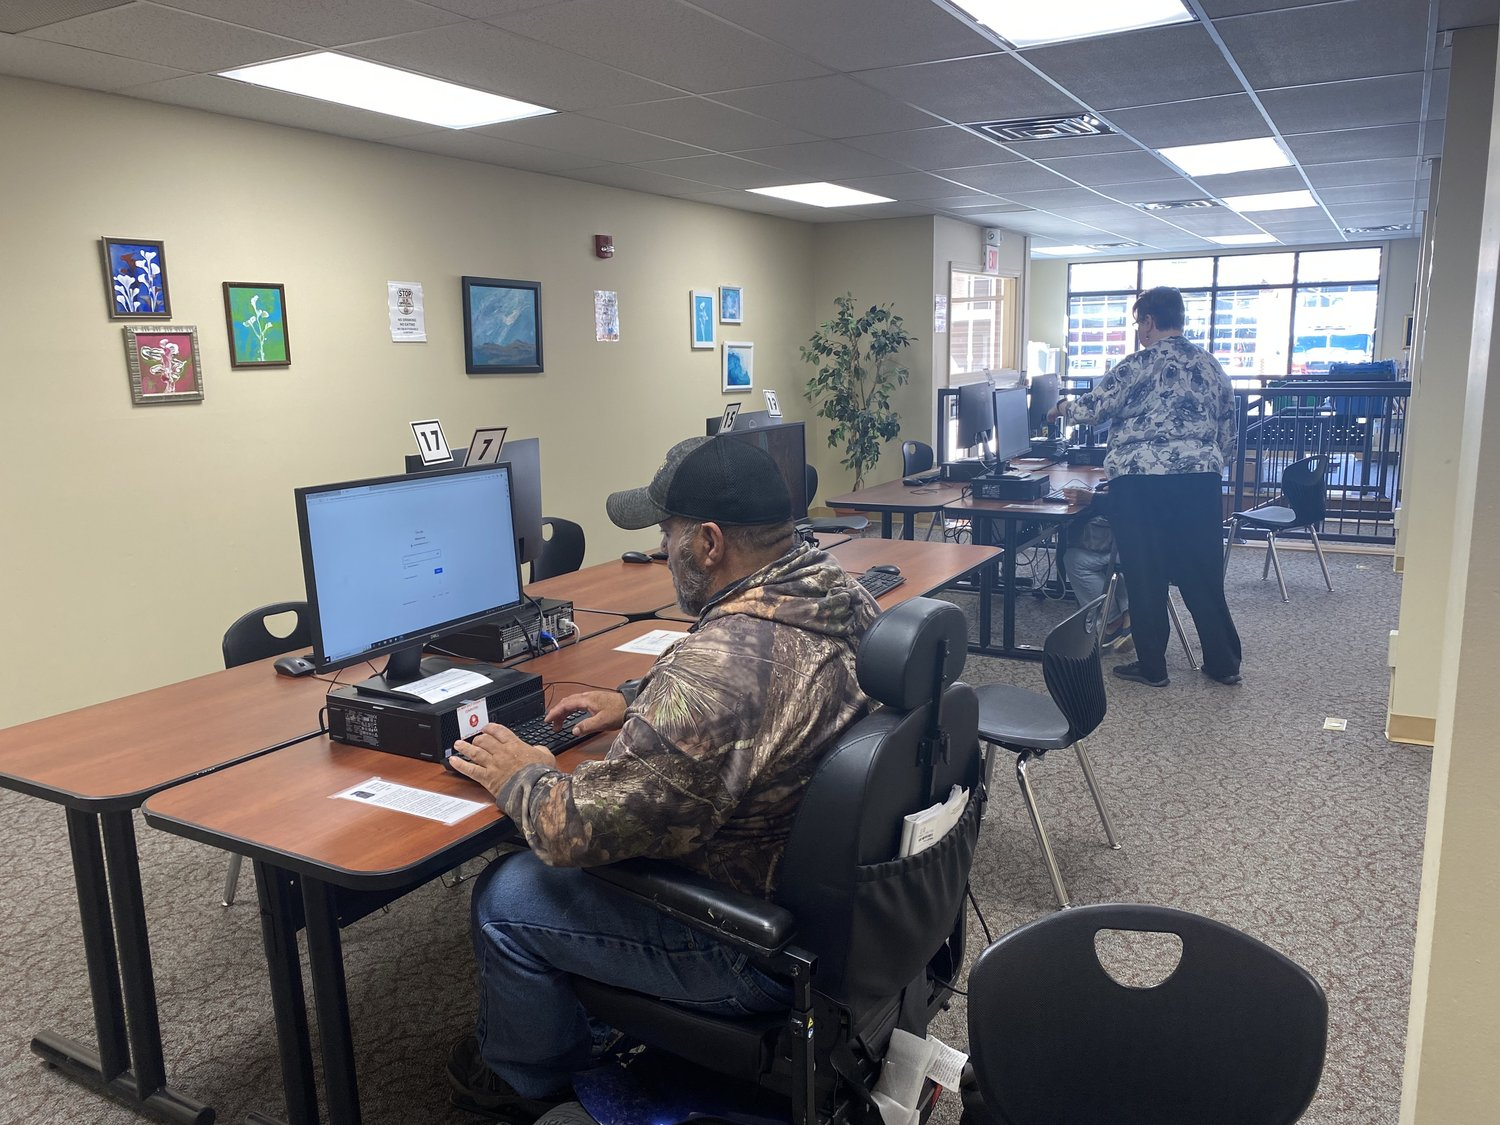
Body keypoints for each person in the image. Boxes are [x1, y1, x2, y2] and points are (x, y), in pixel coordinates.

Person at [444, 435, 879, 1122]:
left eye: (665, 529)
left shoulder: (712, 677)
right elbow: (749, 666)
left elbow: (570, 830)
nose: (662, 543)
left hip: (748, 946)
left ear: (707, 541)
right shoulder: (836, 593)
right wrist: (637, 696)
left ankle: (535, 1081)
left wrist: (520, 773)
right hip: (832, 917)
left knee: (507, 891)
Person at [1049, 286, 1241, 687]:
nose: (1139, 330)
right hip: (1199, 481)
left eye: (1139, 322)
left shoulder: (1137, 364)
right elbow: (1228, 431)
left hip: (1142, 484)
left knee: (1145, 573)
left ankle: (1153, 667)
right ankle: (1224, 663)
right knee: (1202, 574)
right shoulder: (1210, 365)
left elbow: (1094, 407)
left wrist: (1061, 407)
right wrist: (1207, 466)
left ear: (1150, 321)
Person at [1061, 484, 1130, 650]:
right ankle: (1131, 614)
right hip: (1166, 548)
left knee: (1074, 559)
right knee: (1119, 567)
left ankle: (1112, 621)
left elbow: (1127, 503)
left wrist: (1093, 497)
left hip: (1134, 549)